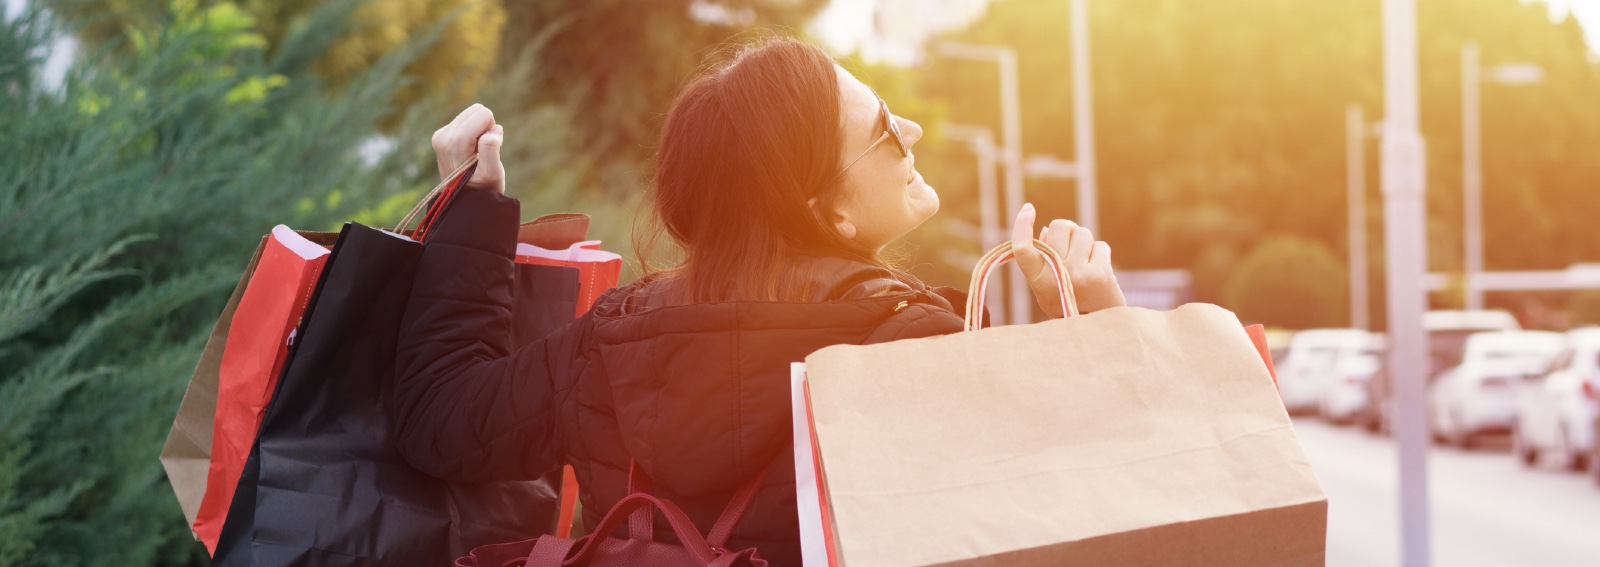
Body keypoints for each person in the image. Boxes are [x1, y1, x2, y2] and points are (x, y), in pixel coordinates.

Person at [392, 37, 1125, 565]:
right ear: (827, 211)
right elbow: (1084, 514)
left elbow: (441, 419)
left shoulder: (614, 343)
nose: (913, 131)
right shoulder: (913, 347)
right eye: (882, 132)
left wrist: (474, 210)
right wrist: (1101, 327)